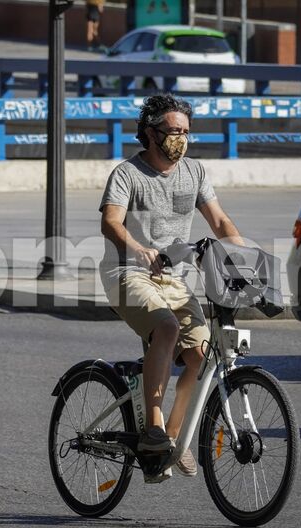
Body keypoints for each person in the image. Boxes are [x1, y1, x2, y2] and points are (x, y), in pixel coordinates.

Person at [99, 94, 243, 482]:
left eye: (185, 132)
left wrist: (248, 255)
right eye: (172, 131)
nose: (179, 138)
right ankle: (154, 431)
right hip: (128, 273)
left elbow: (219, 221)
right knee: (166, 329)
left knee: (200, 354)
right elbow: (111, 223)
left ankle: (173, 440)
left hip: (173, 278)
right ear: (150, 132)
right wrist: (139, 249)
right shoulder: (127, 174)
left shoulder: (193, 172)